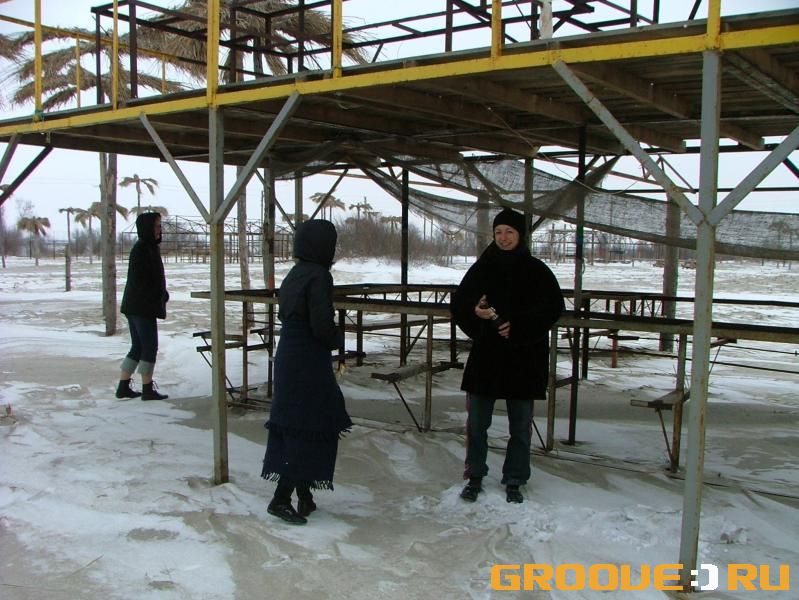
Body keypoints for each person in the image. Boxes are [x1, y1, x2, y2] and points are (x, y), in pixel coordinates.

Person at [450, 208, 564, 504]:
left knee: (520, 426)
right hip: (487, 356)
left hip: (523, 358)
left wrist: (520, 326)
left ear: (520, 235)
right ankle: (475, 476)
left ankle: (515, 478)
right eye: (499, 232)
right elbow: (460, 303)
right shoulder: (482, 268)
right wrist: (475, 312)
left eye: (509, 232)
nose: (503, 237)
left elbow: (552, 308)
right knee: (477, 424)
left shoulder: (536, 270)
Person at [261, 219, 352, 525]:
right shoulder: (319, 276)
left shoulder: (296, 273)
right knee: (310, 422)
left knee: (299, 422)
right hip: (307, 358)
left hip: (290, 353)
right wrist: (337, 339)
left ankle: (305, 495)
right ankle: (281, 498)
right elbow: (321, 326)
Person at [116, 212, 169, 401]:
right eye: (156, 226)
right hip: (141, 307)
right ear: (147, 228)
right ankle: (147, 388)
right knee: (149, 347)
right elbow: (143, 281)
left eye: (160, 226)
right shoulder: (143, 249)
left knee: (138, 346)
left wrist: (161, 294)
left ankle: (123, 386)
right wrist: (158, 295)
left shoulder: (148, 248)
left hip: (136, 305)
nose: (159, 229)